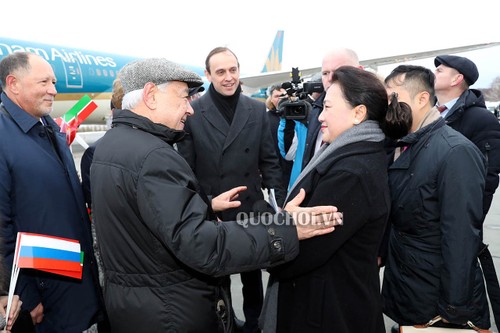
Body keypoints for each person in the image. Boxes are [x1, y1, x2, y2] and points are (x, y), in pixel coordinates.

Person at [90, 57, 342, 333]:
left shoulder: (112, 144)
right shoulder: (154, 156)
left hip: (136, 307)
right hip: (169, 312)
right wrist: (285, 229)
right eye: (183, 98)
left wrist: (205, 205)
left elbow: (149, 217)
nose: (190, 109)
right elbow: (203, 246)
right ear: (151, 95)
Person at [261, 66, 410, 333]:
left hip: (329, 312)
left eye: (328, 107)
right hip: (331, 301)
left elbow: (306, 251)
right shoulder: (350, 155)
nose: (320, 117)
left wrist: (276, 230)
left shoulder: (350, 173)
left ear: (358, 113)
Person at [176, 47, 286, 333]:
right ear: (208, 75)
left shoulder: (255, 109)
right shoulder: (193, 112)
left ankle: (255, 325)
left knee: (252, 278)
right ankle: (225, 324)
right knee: (217, 278)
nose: (229, 77)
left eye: (233, 70)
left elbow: (270, 161)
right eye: (221, 72)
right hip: (214, 210)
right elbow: (187, 169)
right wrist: (203, 207)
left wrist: (279, 204)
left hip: (250, 208)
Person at [0, 52, 106, 332]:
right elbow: (2, 227)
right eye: (44, 82)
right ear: (13, 84)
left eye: (54, 82)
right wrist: (25, 295)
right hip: (43, 296)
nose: (54, 90)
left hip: (79, 282)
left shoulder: (49, 129)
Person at [382, 65, 490, 330]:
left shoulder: (454, 152)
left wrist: (453, 308)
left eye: (393, 98)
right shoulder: (402, 143)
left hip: (437, 299)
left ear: (421, 99)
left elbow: (461, 237)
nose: (387, 107)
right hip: (410, 286)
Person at [278, 48, 362, 189]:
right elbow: (289, 154)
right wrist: (287, 120)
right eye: (325, 73)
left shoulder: (374, 113)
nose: (330, 79)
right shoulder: (312, 112)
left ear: (359, 70)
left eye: (339, 71)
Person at [434, 55, 500, 221]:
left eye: (439, 70)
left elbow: (487, 178)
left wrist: (469, 222)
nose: (432, 74)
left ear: (457, 79)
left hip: (453, 218)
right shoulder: (427, 113)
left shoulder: (482, 119)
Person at [265, 84, 293, 190]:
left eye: (283, 96)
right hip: (274, 171)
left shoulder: (296, 117)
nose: (281, 99)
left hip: (292, 167)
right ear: (271, 99)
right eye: (277, 96)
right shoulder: (265, 119)